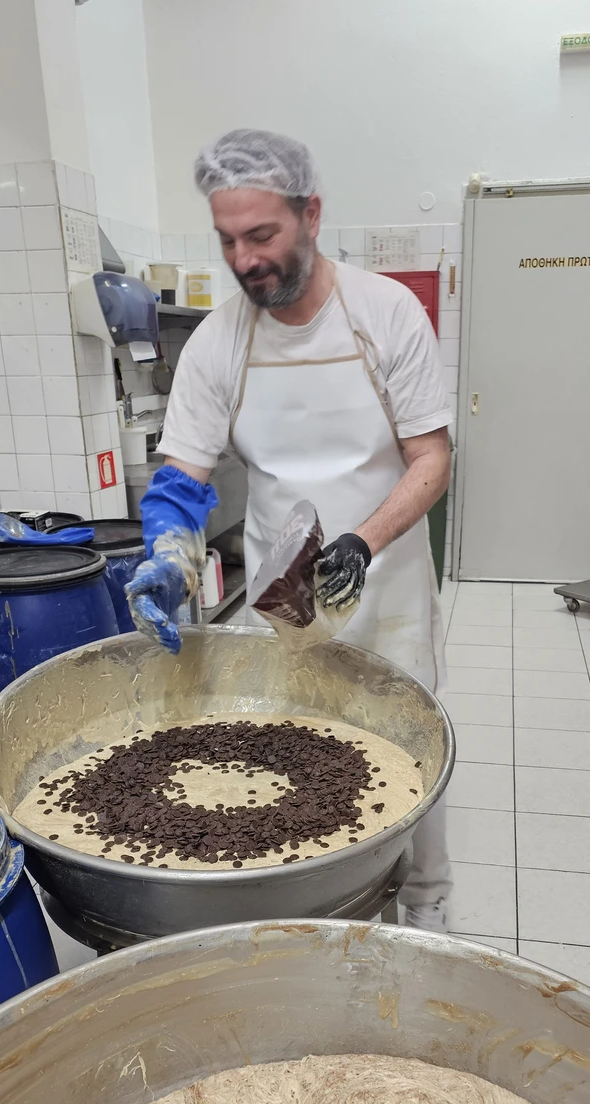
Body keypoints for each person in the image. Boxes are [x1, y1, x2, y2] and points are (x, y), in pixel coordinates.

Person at [126, 128, 452, 931]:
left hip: (385, 581)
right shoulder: (220, 341)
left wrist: (361, 542)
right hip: (283, 599)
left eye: (262, 234)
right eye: (227, 239)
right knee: (304, 750)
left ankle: (427, 901)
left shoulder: (386, 314)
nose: (244, 260)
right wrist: (167, 551)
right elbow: (181, 478)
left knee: (407, 740)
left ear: (311, 214)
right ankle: (320, 909)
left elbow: (432, 459)